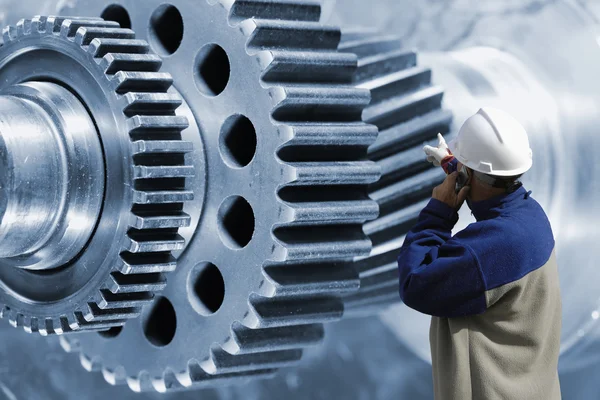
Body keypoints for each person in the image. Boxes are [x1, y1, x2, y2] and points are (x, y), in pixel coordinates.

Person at [397, 107, 561, 400]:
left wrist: (439, 213)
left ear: (469, 175)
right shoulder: (531, 218)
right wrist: (456, 167)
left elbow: (414, 282)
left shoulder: (486, 250)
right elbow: (487, 183)